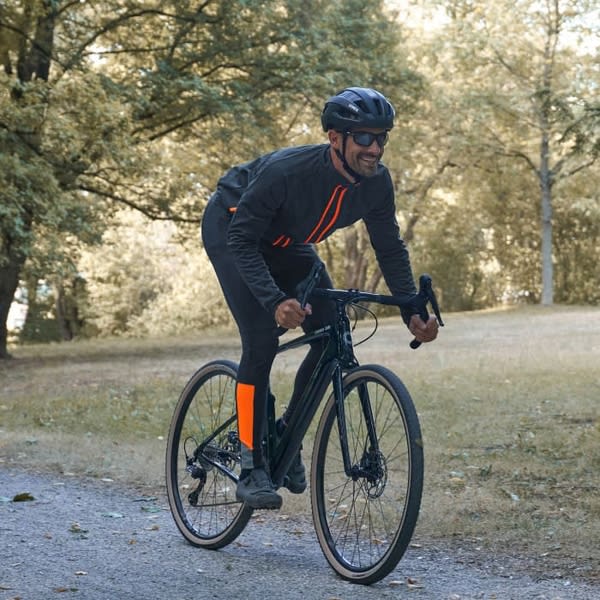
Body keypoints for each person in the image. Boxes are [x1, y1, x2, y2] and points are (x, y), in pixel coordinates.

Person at [201, 86, 438, 510]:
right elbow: (242, 241)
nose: (375, 148)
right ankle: (253, 464)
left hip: (289, 243)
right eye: (363, 137)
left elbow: (389, 246)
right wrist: (275, 300)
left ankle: (284, 435)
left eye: (381, 138)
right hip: (233, 230)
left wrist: (411, 310)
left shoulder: (376, 183)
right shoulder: (287, 172)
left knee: (331, 330)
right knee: (261, 338)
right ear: (335, 139)